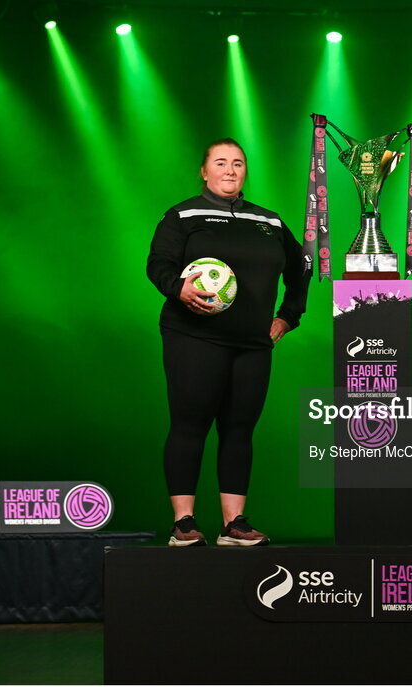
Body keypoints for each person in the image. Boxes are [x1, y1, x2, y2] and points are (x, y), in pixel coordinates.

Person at [146, 138, 308, 546]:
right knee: (190, 424)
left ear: (245, 171)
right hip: (194, 337)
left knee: (239, 430)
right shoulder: (183, 214)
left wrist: (287, 317)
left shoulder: (268, 221)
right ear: (204, 171)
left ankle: (233, 525)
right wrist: (178, 288)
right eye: (220, 162)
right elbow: (158, 264)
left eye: (238, 163)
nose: (230, 170)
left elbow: (301, 268)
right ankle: (184, 523)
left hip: (252, 343)